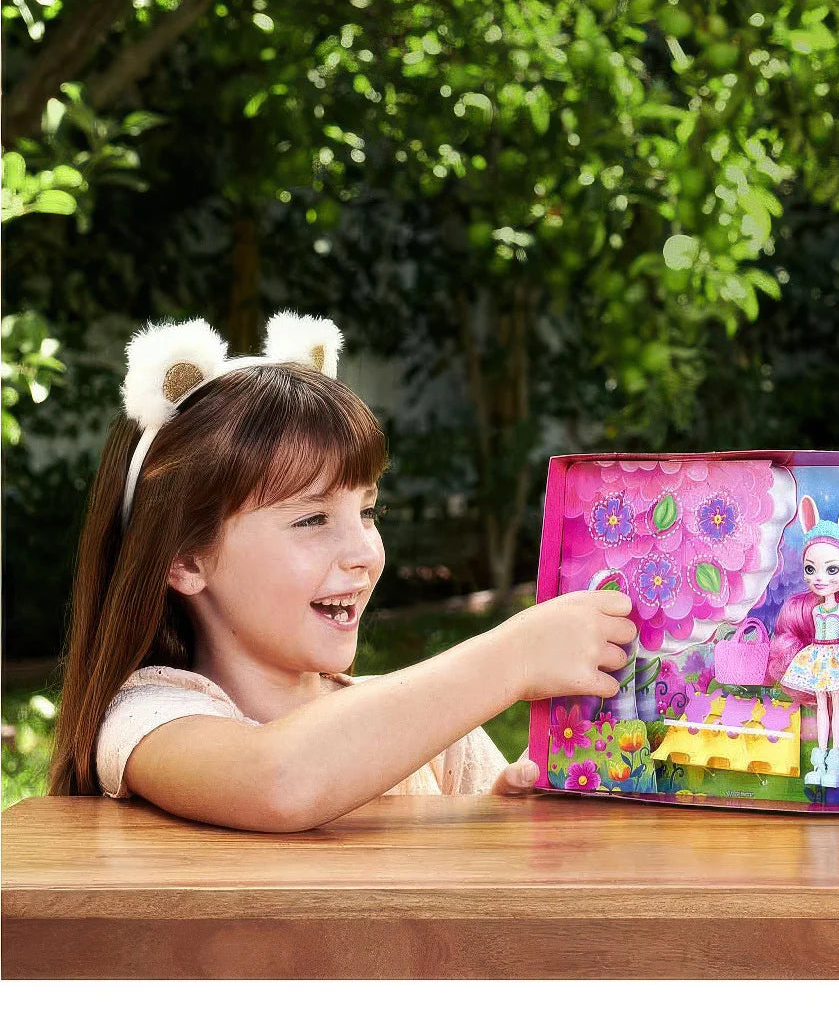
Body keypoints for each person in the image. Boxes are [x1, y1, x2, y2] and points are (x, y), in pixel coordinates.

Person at [48, 311, 635, 832]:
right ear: (185, 558)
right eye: (311, 519)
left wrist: (499, 828)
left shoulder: (435, 737)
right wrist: (513, 658)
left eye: (368, 511)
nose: (365, 552)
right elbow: (279, 782)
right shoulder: (146, 717)